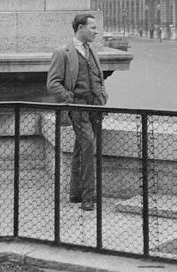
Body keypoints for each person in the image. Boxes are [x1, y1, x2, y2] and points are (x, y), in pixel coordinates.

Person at [46, 14, 108, 212]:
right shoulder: (63, 52)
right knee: (88, 146)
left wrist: (103, 95)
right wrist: (70, 99)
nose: (96, 31)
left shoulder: (92, 51)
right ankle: (88, 197)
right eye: (93, 27)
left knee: (81, 148)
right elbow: (53, 83)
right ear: (81, 28)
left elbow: (99, 77)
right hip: (79, 108)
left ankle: (75, 193)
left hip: (95, 108)